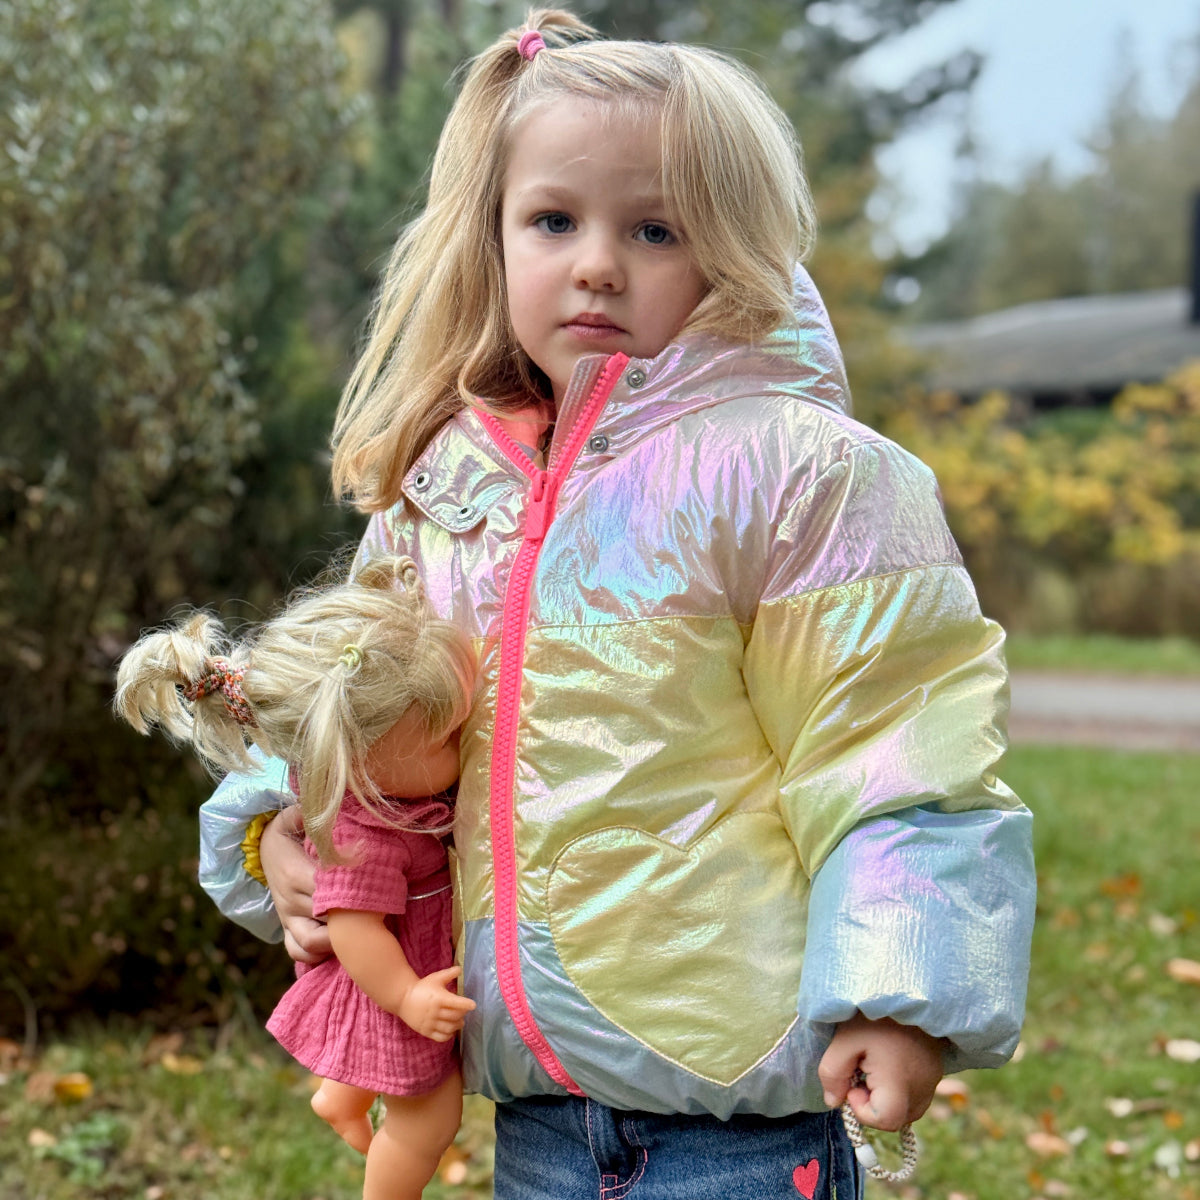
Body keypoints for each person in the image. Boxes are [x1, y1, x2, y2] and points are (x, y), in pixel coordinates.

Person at [198, 9, 1036, 1198]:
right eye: (553, 220)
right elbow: (348, 704)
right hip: (536, 1120)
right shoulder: (447, 488)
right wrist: (274, 828)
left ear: (732, 250)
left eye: (653, 227)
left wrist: (896, 987)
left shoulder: (798, 474)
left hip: (739, 1124)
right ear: (490, 240)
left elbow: (895, 745)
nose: (596, 262)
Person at [115, 555, 478, 1200]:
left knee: (397, 1074)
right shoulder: (363, 836)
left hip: (398, 969)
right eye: (447, 739)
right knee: (431, 1116)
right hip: (395, 977)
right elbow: (355, 931)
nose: (463, 744)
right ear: (358, 759)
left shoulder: (390, 793)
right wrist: (407, 998)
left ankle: (339, 1096)